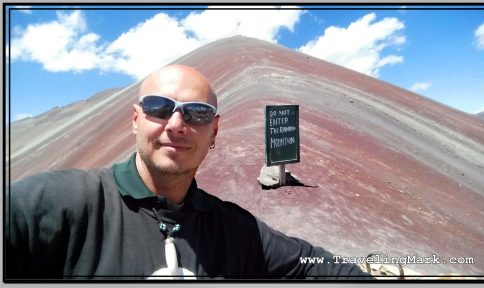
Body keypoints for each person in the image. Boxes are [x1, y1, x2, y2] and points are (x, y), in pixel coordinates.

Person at [6, 65, 373, 280]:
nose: (177, 124)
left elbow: (313, 266)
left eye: (196, 113)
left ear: (214, 132)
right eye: (159, 108)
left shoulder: (236, 230)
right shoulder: (55, 205)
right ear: (136, 120)